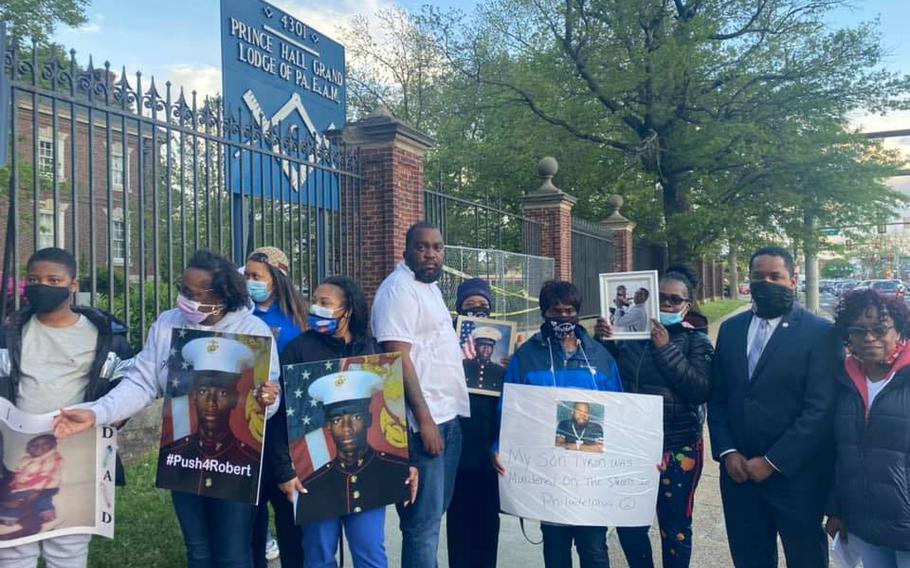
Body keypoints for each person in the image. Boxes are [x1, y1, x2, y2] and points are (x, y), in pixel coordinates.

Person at [53, 249, 280, 568]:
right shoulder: (167, 324)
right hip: (183, 455)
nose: (182, 298)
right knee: (198, 551)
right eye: (182, 288)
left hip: (236, 462)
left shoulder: (253, 331)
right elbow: (142, 382)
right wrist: (97, 412)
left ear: (221, 295)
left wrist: (268, 400)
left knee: (232, 554)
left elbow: (267, 400)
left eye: (193, 293)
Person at [707, 246, 841, 568]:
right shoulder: (731, 329)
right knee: (750, 559)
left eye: (775, 276)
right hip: (739, 477)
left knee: (806, 559)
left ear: (793, 280)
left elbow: (820, 410)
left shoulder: (820, 333)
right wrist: (727, 451)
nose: (765, 283)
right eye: (758, 277)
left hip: (796, 478)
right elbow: (718, 396)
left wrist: (772, 461)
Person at [270, 275, 417, 568]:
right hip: (315, 475)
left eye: (325, 303)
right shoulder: (298, 349)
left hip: (370, 473)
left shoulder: (372, 350)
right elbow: (279, 416)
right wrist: (285, 471)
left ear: (347, 309)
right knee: (319, 554)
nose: (315, 308)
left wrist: (408, 460)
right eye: (314, 301)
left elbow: (394, 409)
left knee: (370, 553)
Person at [0, 247, 133, 568]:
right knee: (14, 545)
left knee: (68, 546)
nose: (41, 285)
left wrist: (114, 419)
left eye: (53, 279)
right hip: (15, 456)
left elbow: (127, 389)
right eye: (34, 279)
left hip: (78, 456)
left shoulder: (106, 338)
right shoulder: (9, 334)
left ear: (73, 285)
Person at [494, 280, 623, 568]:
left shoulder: (600, 357)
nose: (563, 317)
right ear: (544, 313)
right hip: (548, 472)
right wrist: (499, 446)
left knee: (594, 551)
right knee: (555, 551)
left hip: (590, 474)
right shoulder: (526, 357)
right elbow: (509, 409)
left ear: (577, 313)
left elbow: (619, 412)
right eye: (556, 310)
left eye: (569, 310)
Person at [597, 266, 713, 568]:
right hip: (631, 446)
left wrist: (665, 350)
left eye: (675, 300)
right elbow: (606, 382)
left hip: (678, 446)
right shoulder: (629, 337)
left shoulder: (697, 341)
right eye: (661, 298)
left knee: (674, 528)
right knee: (628, 521)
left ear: (687, 304)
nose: (667, 305)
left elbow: (700, 390)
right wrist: (604, 342)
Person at [371, 222, 470, 568]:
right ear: (406, 250)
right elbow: (398, 359)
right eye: (422, 247)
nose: (431, 254)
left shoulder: (429, 288)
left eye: (437, 247)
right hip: (421, 425)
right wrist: (424, 421)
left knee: (433, 516)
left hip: (448, 416)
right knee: (421, 526)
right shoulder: (398, 290)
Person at [826, 289, 910, 567]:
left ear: (899, 331)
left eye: (879, 329)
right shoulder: (842, 381)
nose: (870, 337)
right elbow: (839, 453)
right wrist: (835, 510)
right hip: (864, 522)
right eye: (859, 330)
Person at [244, 246, 306, 568]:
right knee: (252, 512)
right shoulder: (242, 314)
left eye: (257, 276)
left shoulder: (300, 317)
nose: (250, 282)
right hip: (251, 424)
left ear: (277, 277)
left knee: (290, 512)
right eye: (247, 275)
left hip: (289, 425)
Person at [156, 337, 261, 501]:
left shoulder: (250, 459)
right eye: (204, 392)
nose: (211, 402)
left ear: (235, 398)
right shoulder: (174, 453)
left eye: (223, 393)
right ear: (194, 397)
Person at [299, 370, 411, 516]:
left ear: (369, 419)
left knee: (369, 539)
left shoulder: (395, 468)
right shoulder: (313, 484)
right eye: (337, 420)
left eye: (356, 417)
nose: (347, 429)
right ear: (328, 427)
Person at [446, 278, 501, 568]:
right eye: (470, 305)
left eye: (483, 305)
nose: (478, 310)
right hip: (458, 444)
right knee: (458, 520)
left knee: (488, 520)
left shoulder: (502, 360)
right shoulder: (447, 342)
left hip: (489, 446)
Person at [0, 435, 63, 531]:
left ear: (52, 445)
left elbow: (47, 475)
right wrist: (14, 484)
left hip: (44, 487)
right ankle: (8, 521)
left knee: (42, 502)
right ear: (28, 449)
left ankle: (48, 518)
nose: (38, 446)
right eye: (33, 445)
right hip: (21, 488)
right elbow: (18, 473)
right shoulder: (26, 460)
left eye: (44, 443)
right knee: (15, 504)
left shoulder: (52, 458)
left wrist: (34, 490)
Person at [464, 327, 506, 391]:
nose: (486, 349)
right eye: (482, 345)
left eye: (489, 346)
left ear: (493, 349)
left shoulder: (500, 371)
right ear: (475, 347)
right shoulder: (464, 365)